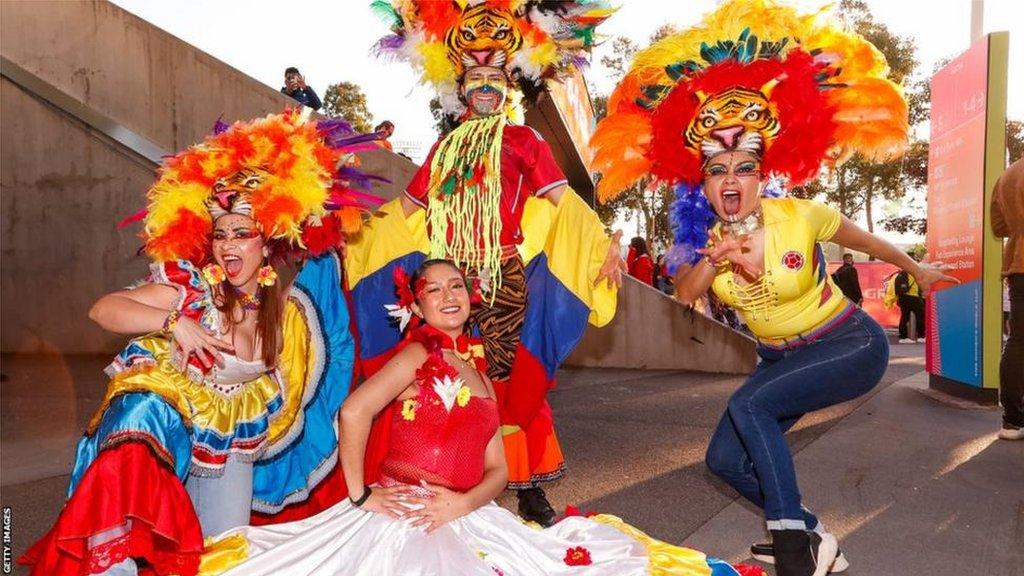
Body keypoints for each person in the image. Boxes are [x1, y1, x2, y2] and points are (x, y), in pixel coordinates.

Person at [591, 1, 957, 574]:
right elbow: (685, 295)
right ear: (704, 186)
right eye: (718, 171)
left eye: (743, 168)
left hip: (847, 345)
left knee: (750, 405)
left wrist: (918, 268)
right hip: (777, 358)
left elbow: (868, 242)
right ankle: (813, 536)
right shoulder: (705, 237)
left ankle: (791, 548)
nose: (730, 179)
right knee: (725, 459)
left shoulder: (800, 215)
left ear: (762, 176)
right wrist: (713, 260)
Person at [198, 259, 747, 576]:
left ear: (471, 295)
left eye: (455, 285)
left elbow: (499, 471)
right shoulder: (418, 355)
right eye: (432, 290)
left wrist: (463, 502)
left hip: (467, 516)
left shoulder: (482, 376)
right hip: (403, 519)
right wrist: (363, 494)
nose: (447, 295)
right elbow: (353, 412)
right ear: (416, 308)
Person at [19, 111, 378, 576]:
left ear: (267, 244)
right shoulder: (191, 288)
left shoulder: (281, 315)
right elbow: (104, 310)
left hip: (228, 442)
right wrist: (175, 323)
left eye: (243, 234)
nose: (229, 245)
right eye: (221, 235)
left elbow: (328, 291)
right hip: (159, 431)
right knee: (124, 541)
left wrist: (330, 238)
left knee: (224, 554)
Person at [352, 0, 622, 527]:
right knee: (442, 379)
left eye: (494, 77)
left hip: (501, 282)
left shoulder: (525, 140)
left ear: (510, 84)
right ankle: (448, 474)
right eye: (473, 77)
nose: (483, 86)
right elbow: (405, 212)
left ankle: (524, 489)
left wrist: (602, 242)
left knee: (506, 382)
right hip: (448, 285)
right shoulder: (444, 146)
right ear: (459, 87)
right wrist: (353, 236)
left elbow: (565, 204)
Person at [992, 158, 1024, 440]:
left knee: (1017, 342)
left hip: (1018, 266)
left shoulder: (1008, 175)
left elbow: (998, 227)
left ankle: (1012, 421)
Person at [894, 259, 926, 343]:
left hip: (903, 297)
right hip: (913, 297)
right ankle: (921, 336)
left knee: (905, 316)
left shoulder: (903, 272)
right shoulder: (913, 272)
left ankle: (903, 337)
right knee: (921, 316)